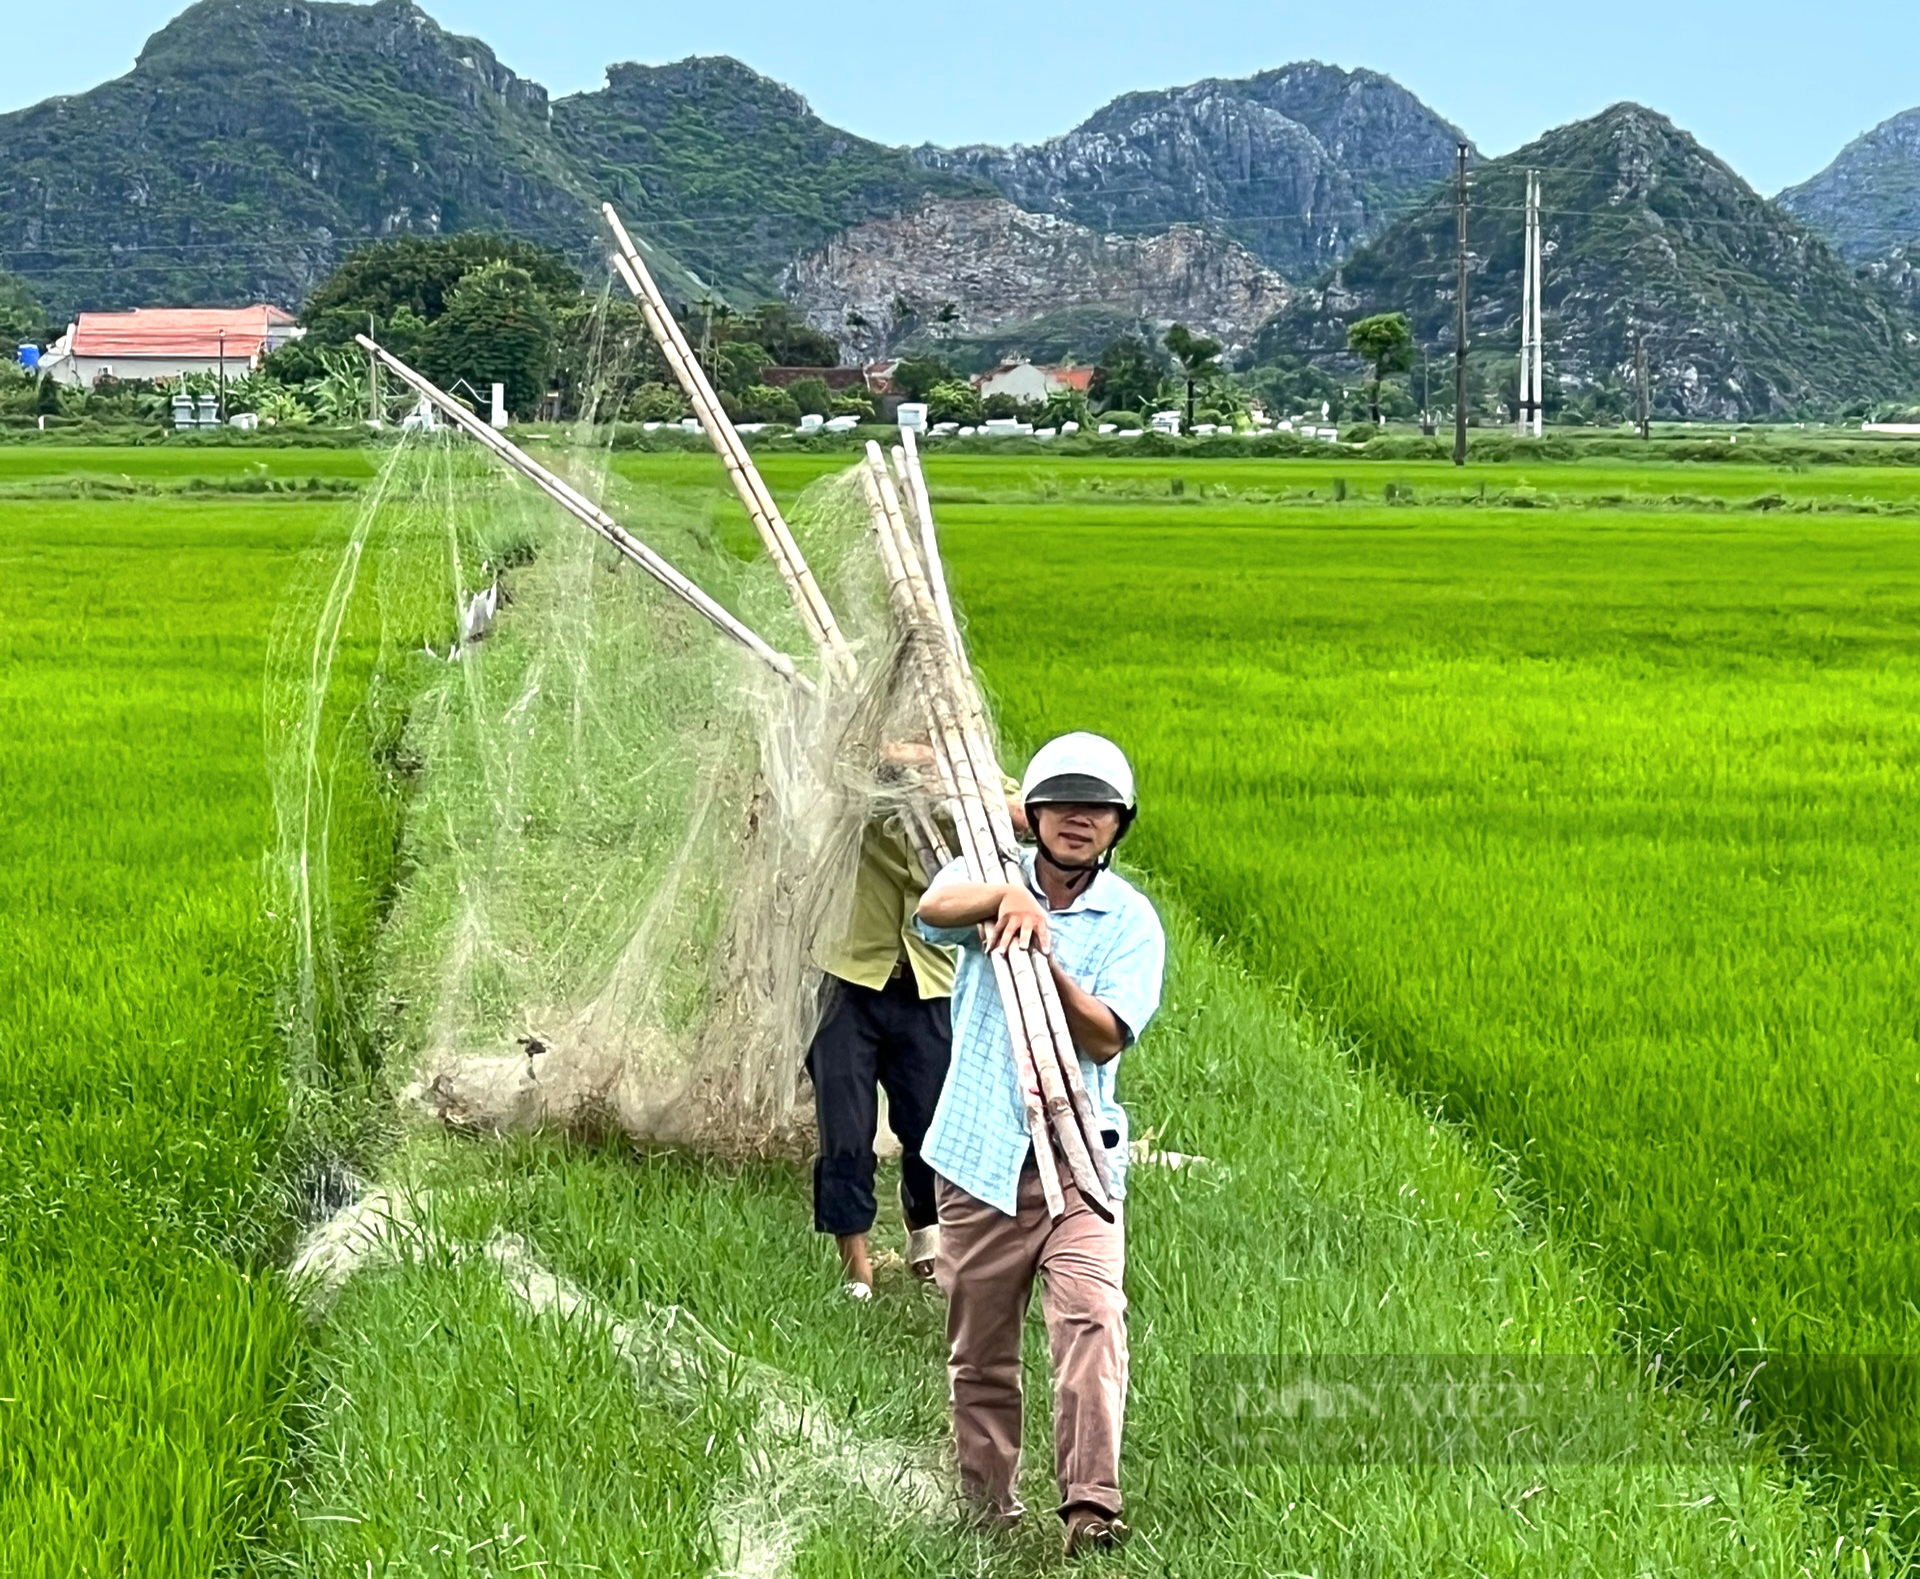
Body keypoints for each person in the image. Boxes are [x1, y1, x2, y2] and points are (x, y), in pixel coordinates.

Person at [913, 732, 1165, 1557]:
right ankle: (987, 1510)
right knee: (981, 1351)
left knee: (1092, 1319)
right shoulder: (991, 864)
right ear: (1035, 813)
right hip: (979, 1154)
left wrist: (1044, 956)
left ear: (1118, 825)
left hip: (1079, 1156)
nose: (1078, 820)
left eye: (1097, 809)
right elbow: (931, 907)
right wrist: (1003, 902)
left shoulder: (1130, 921)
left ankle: (1091, 1509)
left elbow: (1103, 1039)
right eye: (1063, 803)